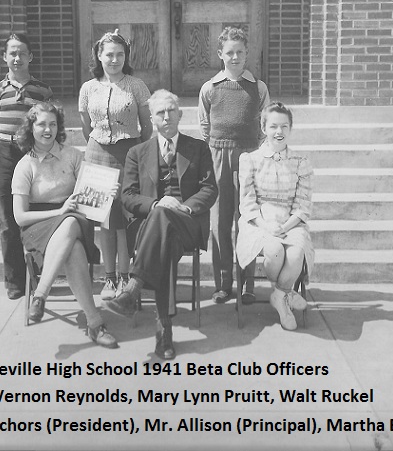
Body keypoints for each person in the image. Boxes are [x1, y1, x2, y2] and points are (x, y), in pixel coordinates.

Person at [105, 90, 218, 359]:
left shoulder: (198, 147)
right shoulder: (137, 152)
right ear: (152, 120)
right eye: (160, 113)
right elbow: (128, 196)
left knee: (165, 220)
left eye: (171, 111)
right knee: (162, 232)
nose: (167, 116)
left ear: (180, 114)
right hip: (151, 228)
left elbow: (209, 189)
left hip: (188, 223)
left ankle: (134, 287)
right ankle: (163, 333)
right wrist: (156, 205)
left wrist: (185, 206)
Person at [12, 101, 118, 348]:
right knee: (75, 249)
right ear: (31, 128)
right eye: (41, 125)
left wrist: (106, 190)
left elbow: (89, 190)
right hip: (39, 226)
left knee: (70, 223)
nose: (47, 130)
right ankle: (95, 323)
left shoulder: (71, 155)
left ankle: (40, 295)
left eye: (52, 124)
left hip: (72, 216)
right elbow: (20, 218)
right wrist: (58, 212)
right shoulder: (24, 166)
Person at [79, 30, 153, 301]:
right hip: (97, 154)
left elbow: (147, 126)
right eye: (109, 54)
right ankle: (108, 279)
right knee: (104, 220)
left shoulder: (136, 85)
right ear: (99, 56)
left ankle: (125, 276)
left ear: (126, 57)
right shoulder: (88, 88)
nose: (114, 59)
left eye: (120, 54)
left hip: (129, 154)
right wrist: (100, 146)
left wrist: (135, 153)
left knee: (124, 219)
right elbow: (86, 126)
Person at [198, 26, 270, 305]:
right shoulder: (210, 88)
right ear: (220, 54)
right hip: (218, 158)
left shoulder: (258, 87)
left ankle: (247, 284)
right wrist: (218, 149)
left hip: (248, 158)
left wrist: (251, 151)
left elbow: (265, 126)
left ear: (247, 53)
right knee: (220, 223)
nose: (235, 57)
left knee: (247, 222)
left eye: (240, 52)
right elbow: (205, 126)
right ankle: (223, 283)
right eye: (230, 52)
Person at [0, 33, 54, 299]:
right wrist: (5, 151)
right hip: (6, 154)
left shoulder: (42, 91)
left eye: (22, 53)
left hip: (34, 154)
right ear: (4, 57)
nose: (17, 58)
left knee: (36, 213)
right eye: (12, 53)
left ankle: (41, 275)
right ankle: (15, 281)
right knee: (8, 219)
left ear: (30, 57)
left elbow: (50, 124)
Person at [235, 102, 314, 331]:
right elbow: (247, 202)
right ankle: (286, 294)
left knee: (297, 252)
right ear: (264, 128)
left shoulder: (301, 162)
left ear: (290, 129)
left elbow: (303, 204)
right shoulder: (250, 159)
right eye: (273, 126)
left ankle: (279, 295)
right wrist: (266, 225)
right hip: (258, 222)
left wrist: (287, 224)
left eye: (284, 126)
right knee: (275, 250)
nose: (279, 132)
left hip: (291, 222)